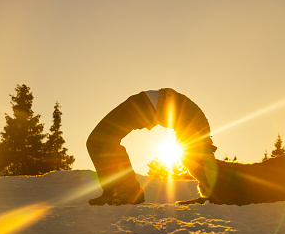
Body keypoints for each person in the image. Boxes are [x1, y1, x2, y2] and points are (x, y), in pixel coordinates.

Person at [87, 88, 218, 205]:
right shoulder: (200, 132)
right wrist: (214, 193)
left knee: (98, 140)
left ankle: (123, 191)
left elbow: (202, 161)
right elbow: (206, 161)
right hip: (146, 103)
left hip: (146, 102)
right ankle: (120, 191)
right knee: (97, 141)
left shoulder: (197, 129)